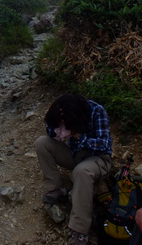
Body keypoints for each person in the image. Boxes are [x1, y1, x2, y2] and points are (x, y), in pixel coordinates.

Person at [35, 93, 113, 245]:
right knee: (42, 143)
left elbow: (103, 145)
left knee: (81, 171)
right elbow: (50, 132)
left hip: (98, 158)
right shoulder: (61, 110)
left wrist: (77, 135)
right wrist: (57, 126)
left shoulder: (97, 111)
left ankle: (80, 230)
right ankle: (56, 189)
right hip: (74, 154)